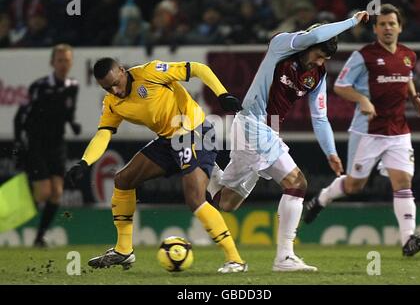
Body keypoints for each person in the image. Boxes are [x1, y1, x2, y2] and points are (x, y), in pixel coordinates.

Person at [206, 11, 370, 272]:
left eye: (324, 59)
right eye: (318, 55)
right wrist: (353, 21)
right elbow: (315, 34)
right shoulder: (282, 45)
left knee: (227, 203)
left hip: (261, 128)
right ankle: (284, 258)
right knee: (296, 183)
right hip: (252, 121)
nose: (318, 62)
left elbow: (320, 116)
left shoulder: (317, 75)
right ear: (308, 45)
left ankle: (208, 171)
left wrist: (330, 152)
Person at [65, 57, 247, 273]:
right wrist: (85, 162)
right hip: (168, 140)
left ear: (122, 71)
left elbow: (198, 68)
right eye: (107, 88)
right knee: (123, 180)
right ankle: (124, 250)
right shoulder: (112, 103)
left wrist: (222, 94)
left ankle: (235, 260)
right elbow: (103, 134)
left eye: (116, 83)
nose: (114, 90)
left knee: (195, 198)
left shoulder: (151, 72)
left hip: (194, 132)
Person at [302, 4, 420, 257]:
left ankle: (408, 241)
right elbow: (340, 85)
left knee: (403, 182)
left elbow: (407, 76)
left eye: (392, 23)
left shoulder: (408, 55)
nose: (387, 28)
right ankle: (322, 199)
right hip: (368, 131)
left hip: (398, 131)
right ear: (375, 29)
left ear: (400, 27)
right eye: (382, 24)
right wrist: (362, 100)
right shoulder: (364, 56)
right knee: (354, 186)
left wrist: (414, 97)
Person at [13, 44, 81, 247]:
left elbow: (68, 111)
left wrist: (72, 123)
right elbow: (21, 115)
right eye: (60, 60)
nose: (63, 64)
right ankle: (19, 200)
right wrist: (19, 141)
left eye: (67, 60)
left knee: (57, 192)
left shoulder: (73, 85)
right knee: (43, 192)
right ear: (52, 62)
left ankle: (39, 237)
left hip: (57, 143)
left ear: (71, 63)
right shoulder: (39, 86)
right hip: (36, 143)